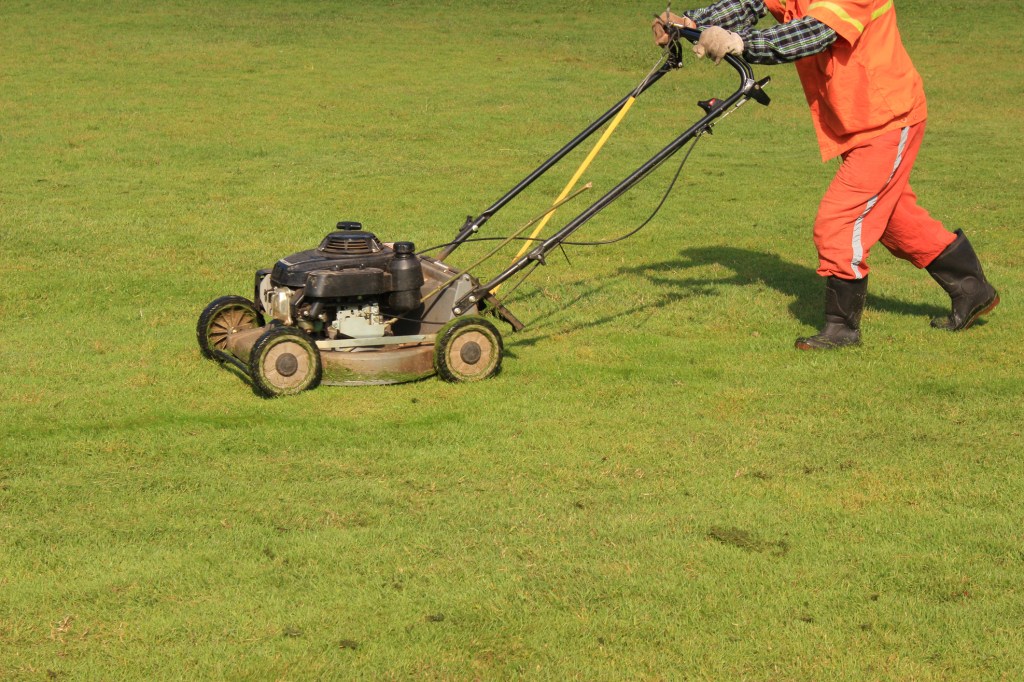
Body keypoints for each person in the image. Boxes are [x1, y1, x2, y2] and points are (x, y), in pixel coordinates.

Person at [651, 1, 999, 349]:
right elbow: (749, 3)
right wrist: (689, 22)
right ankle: (973, 289)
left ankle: (841, 330)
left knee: (840, 221)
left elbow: (812, 34)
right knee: (894, 221)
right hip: (856, 120)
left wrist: (741, 44)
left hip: (888, 119)